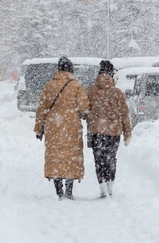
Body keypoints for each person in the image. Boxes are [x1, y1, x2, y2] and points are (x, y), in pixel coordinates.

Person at [34, 57, 90, 200]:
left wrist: (39, 128)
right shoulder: (76, 86)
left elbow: (42, 108)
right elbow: (84, 108)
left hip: (53, 126)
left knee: (55, 156)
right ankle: (69, 190)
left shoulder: (49, 86)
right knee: (71, 156)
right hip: (72, 127)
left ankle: (58, 190)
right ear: (70, 69)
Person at [86, 60, 132, 198]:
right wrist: (127, 133)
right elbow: (124, 114)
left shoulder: (90, 91)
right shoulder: (117, 93)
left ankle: (102, 187)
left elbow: (84, 111)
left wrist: (91, 117)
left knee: (98, 160)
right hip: (113, 132)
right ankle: (110, 185)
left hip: (96, 131)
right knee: (111, 159)